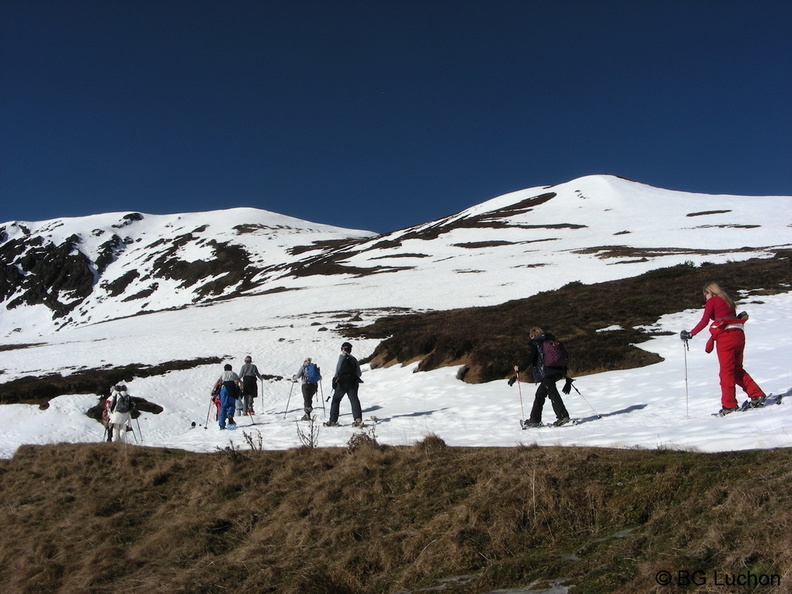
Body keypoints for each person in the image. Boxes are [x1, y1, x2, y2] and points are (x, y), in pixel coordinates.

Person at [681, 282, 765, 415]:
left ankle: (729, 405)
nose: (705, 298)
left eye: (706, 294)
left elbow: (704, 321)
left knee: (726, 372)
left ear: (711, 292)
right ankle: (756, 394)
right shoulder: (728, 301)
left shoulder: (713, 301)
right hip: (739, 335)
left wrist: (690, 334)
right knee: (737, 369)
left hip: (726, 337)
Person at [512, 327, 570, 427]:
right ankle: (535, 419)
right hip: (557, 371)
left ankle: (562, 415)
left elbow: (531, 358)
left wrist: (520, 368)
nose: (530, 338)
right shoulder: (551, 341)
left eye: (531, 336)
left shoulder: (536, 342)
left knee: (552, 393)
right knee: (540, 394)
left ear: (534, 335)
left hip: (546, 373)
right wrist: (564, 372)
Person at [325, 342, 364, 428]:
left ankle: (333, 421)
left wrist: (335, 379)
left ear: (343, 349)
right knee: (354, 400)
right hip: (353, 382)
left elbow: (338, 369)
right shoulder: (354, 359)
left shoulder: (342, 357)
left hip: (342, 383)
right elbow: (359, 373)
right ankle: (358, 419)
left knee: (336, 400)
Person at [212, 364, 241, 430]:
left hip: (224, 389)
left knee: (223, 406)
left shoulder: (223, 374)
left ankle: (221, 424)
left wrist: (213, 390)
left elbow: (218, 382)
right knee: (231, 404)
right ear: (231, 368)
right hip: (232, 389)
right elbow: (238, 381)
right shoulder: (234, 374)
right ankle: (230, 414)